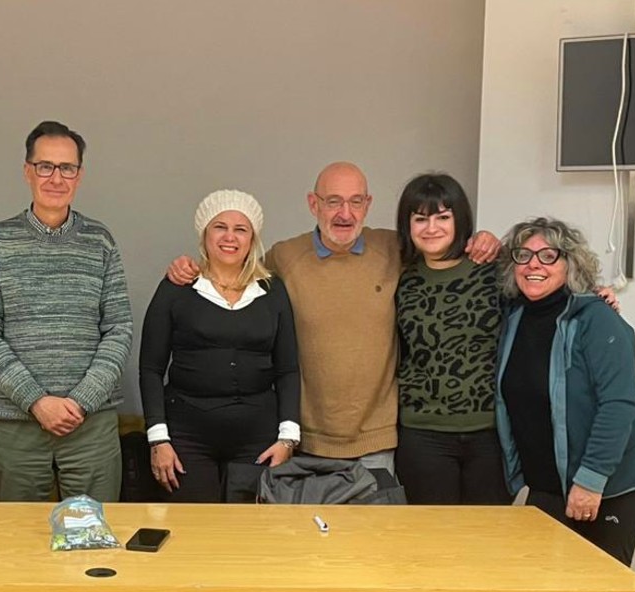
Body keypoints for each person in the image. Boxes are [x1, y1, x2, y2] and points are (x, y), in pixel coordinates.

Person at [168, 162, 500, 474]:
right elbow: (233, 276)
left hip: (379, 442)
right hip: (306, 440)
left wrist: (484, 240)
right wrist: (191, 268)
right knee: (311, 535)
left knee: (376, 535)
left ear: (368, 204)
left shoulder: (396, 249)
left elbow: (440, 248)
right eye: (333, 202)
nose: (345, 213)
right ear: (313, 204)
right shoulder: (284, 257)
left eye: (356, 202)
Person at [0, 120, 133, 502]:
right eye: (45, 166)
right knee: (16, 543)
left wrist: (81, 400)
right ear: (28, 171)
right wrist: (36, 401)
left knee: (93, 537)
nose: (55, 178)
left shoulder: (100, 241)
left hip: (89, 425)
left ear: (79, 175)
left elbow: (119, 329)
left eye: (67, 168)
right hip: (16, 424)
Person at [496, 217, 635, 566]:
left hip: (608, 485)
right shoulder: (513, 319)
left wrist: (590, 482)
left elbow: (619, 405)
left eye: (548, 256)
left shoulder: (598, 320)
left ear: (570, 263)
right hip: (547, 486)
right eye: (523, 255)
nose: (533, 265)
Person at [139, 190, 299, 502]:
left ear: (253, 238)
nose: (230, 237)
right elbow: (150, 369)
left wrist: (288, 438)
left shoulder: (272, 291)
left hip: (257, 438)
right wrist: (158, 440)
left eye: (241, 229)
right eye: (220, 226)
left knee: (250, 536)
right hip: (187, 437)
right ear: (204, 234)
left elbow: (289, 368)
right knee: (195, 534)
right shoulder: (176, 288)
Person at [393, 173, 509, 505]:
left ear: (460, 219)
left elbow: (545, 291)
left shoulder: (493, 270)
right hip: (422, 433)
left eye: (443, 217)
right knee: (432, 542)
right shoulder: (402, 277)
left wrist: (597, 296)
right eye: (420, 218)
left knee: (487, 539)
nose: (431, 228)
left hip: (490, 433)